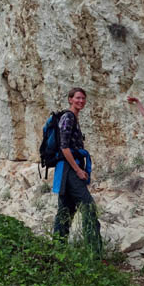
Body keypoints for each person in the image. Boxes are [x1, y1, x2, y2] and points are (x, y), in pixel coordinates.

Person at [52, 87, 102, 255]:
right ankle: (95, 254)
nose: (81, 101)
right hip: (69, 170)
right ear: (70, 99)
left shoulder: (72, 118)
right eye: (77, 98)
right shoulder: (68, 117)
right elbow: (64, 148)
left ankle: (58, 249)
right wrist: (79, 171)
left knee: (66, 209)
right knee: (88, 207)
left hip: (66, 170)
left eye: (83, 98)